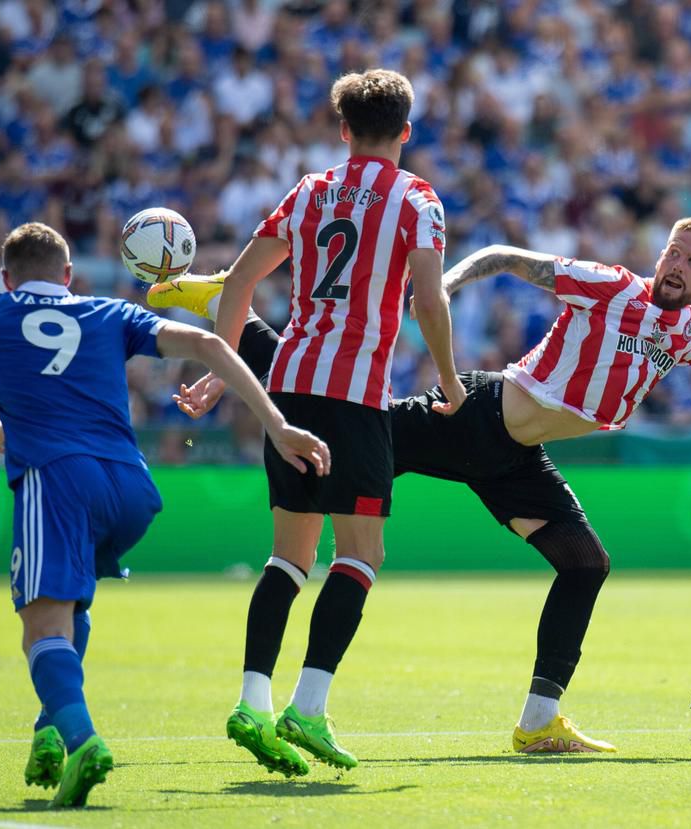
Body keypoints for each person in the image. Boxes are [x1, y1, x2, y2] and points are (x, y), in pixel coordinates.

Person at [160, 217, 691, 755]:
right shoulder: (611, 285)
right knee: (339, 426)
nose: (678, 265)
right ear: (660, 255)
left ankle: (539, 720)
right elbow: (510, 257)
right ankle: (232, 312)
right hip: (474, 415)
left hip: (515, 458)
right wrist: (446, 280)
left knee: (586, 562)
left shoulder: (685, 332)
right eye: (674, 252)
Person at [0, 222, 330, 807]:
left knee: (40, 628)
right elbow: (213, 346)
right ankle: (48, 728)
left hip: (55, 477)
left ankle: (81, 740)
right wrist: (277, 426)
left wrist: (8, 438)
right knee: (73, 603)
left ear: (6, 277)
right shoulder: (108, 313)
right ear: (69, 277)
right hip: (130, 487)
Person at [149, 69, 464, 774]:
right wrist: (447, 378)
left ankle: (251, 699)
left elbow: (237, 281)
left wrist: (218, 371)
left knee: (289, 556)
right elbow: (428, 301)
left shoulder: (310, 190)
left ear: (344, 130)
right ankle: (308, 707)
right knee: (360, 554)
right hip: (355, 399)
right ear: (406, 132)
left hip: (289, 386)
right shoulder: (417, 199)